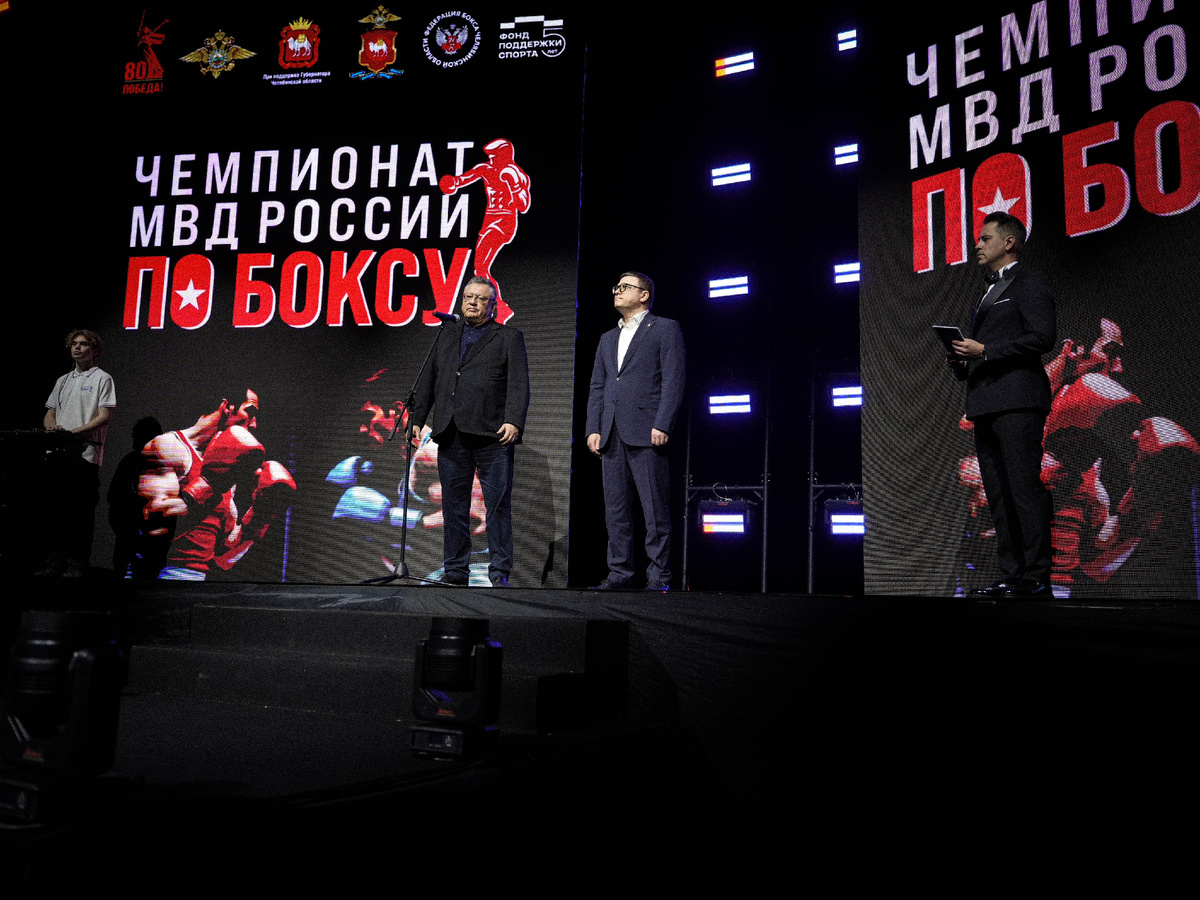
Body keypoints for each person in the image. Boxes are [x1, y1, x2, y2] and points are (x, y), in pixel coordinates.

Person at [949, 212, 1056, 597]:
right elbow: (984, 350)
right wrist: (963, 360)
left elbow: (1043, 337)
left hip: (1018, 401)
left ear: (1009, 242)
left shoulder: (1029, 282)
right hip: (985, 404)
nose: (977, 244)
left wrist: (986, 350)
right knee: (997, 494)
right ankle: (1012, 573)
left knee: (1023, 488)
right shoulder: (986, 291)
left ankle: (1037, 576)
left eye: (985, 238)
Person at [409, 276, 530, 587]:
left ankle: (499, 572)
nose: (472, 302)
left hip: (492, 436)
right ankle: (455, 571)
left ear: (493, 305)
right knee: (453, 507)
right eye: (468, 297)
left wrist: (514, 420)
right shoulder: (446, 335)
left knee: (497, 505)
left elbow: (518, 384)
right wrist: (417, 418)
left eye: (480, 298)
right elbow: (429, 380)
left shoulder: (508, 337)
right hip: (451, 432)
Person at [586, 272, 686, 591]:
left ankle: (658, 576)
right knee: (615, 509)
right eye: (616, 286)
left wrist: (663, 422)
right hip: (611, 432)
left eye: (625, 287)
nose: (617, 291)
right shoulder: (607, 338)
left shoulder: (665, 328)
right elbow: (598, 386)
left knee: (654, 508)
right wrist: (593, 428)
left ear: (644, 295)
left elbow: (673, 379)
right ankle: (619, 573)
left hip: (647, 429)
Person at [40, 329, 116, 577]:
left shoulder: (102, 378)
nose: (77, 348)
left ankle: (77, 565)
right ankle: (54, 564)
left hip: (84, 456)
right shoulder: (63, 380)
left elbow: (104, 417)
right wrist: (52, 428)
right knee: (55, 512)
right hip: (58, 454)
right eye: (74, 344)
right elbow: (50, 412)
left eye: (83, 344)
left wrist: (73, 432)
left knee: (79, 514)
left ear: (94, 350)